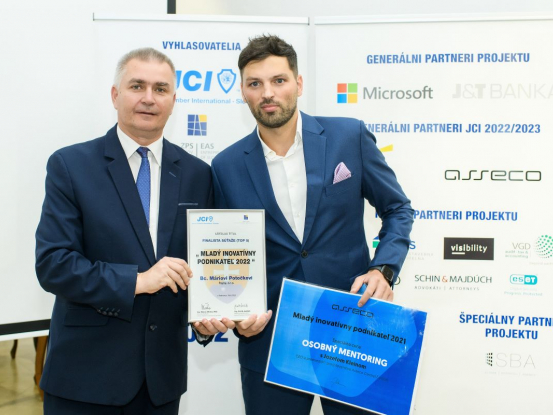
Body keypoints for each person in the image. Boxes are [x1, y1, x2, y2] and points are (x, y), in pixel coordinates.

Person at [210, 35, 414, 415]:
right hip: (270, 341)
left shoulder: (348, 137)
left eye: (279, 80)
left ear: (298, 83)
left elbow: (397, 208)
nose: (267, 93)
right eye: (255, 83)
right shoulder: (225, 166)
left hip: (353, 329)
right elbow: (226, 256)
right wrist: (235, 312)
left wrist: (383, 269)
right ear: (242, 91)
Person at [35, 47, 233, 415]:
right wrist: (138, 281)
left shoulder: (198, 174)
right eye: (137, 86)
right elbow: (54, 265)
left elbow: (201, 268)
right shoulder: (70, 166)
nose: (149, 98)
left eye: (161, 89)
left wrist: (206, 319)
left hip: (160, 383)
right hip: (84, 377)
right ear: (115, 95)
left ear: (173, 101)